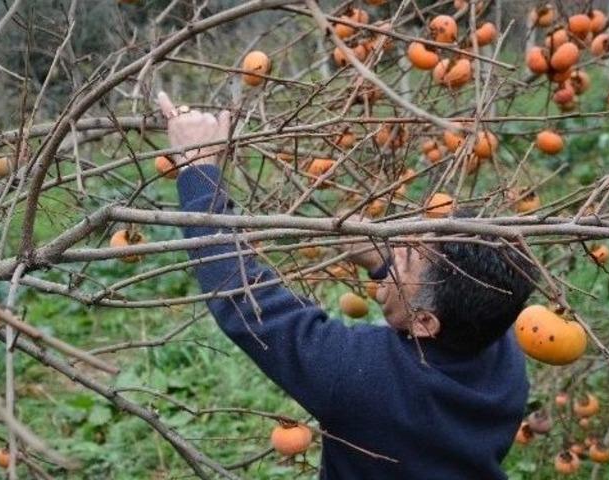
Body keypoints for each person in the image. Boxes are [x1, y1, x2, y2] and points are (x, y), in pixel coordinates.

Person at [157, 92, 536, 479]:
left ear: (424, 323)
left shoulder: (365, 379)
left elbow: (243, 300)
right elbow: (448, 295)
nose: (395, 242)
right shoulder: (499, 346)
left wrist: (198, 170)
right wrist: (385, 265)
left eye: (405, 257)